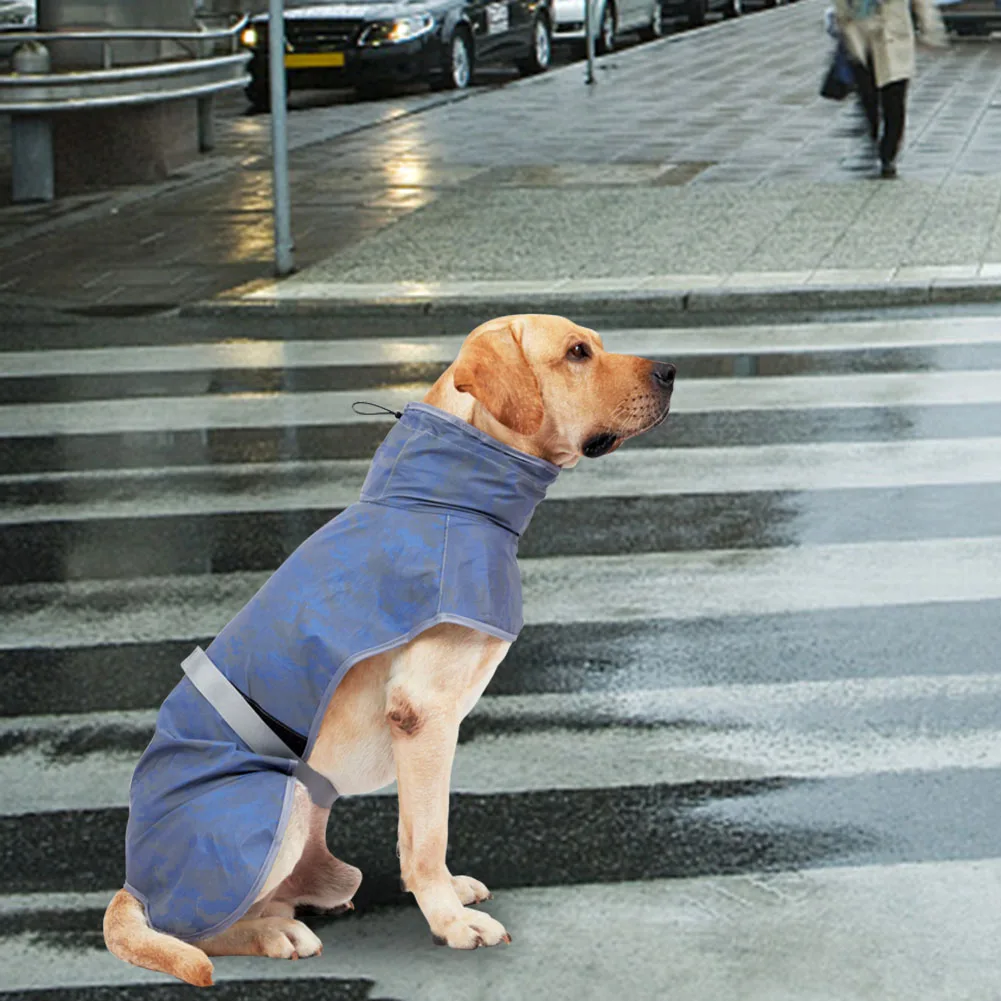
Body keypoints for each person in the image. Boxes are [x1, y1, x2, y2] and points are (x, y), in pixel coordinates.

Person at [835, 0, 947, 178]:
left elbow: (921, 2)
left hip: (894, 39)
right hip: (862, 41)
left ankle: (888, 154)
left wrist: (929, 28)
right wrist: (843, 21)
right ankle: (874, 135)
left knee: (894, 102)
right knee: (868, 99)